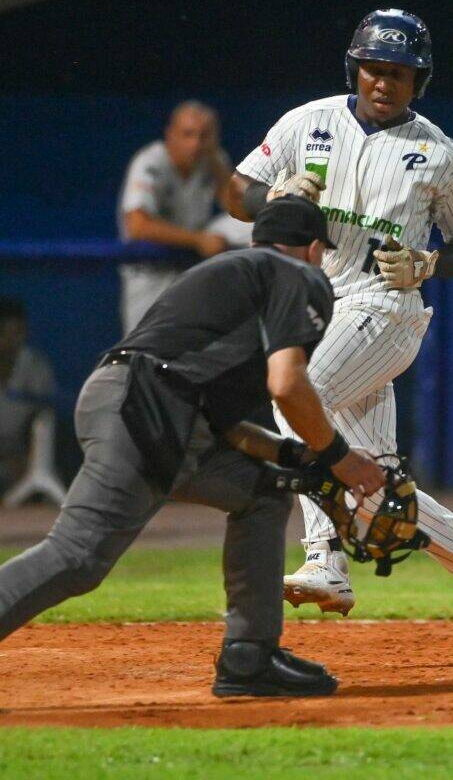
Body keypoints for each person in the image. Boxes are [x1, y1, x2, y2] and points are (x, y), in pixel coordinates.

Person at [226, 9, 453, 650]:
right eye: (374, 69)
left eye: (399, 74)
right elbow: (237, 193)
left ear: (417, 81)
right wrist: (274, 196)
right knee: (376, 495)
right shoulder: (305, 122)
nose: (384, 83)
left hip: (388, 309)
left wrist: (432, 262)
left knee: (296, 392)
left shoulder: (437, 151)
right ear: (355, 68)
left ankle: (324, 559)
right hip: (323, 307)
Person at [0, 197, 390, 696]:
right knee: (77, 555)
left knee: (263, 493)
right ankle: (250, 656)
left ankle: (250, 656)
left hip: (139, 401)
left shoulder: (231, 273)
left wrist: (295, 457)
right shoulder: (298, 276)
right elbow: (287, 384)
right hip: (150, 407)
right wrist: (337, 455)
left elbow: (222, 423)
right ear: (314, 249)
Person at [117, 101, 232, 333]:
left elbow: (237, 207)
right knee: (142, 356)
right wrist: (198, 240)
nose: (196, 143)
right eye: (188, 134)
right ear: (170, 134)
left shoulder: (211, 160)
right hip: (148, 273)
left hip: (189, 271)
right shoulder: (151, 162)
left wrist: (214, 158)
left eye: (204, 136)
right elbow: (137, 226)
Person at [0, 299, 58, 499]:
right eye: (8, 334)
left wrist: (33, 462)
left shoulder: (34, 365)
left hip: (22, 460)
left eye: (20, 332)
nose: (15, 340)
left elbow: (46, 416)